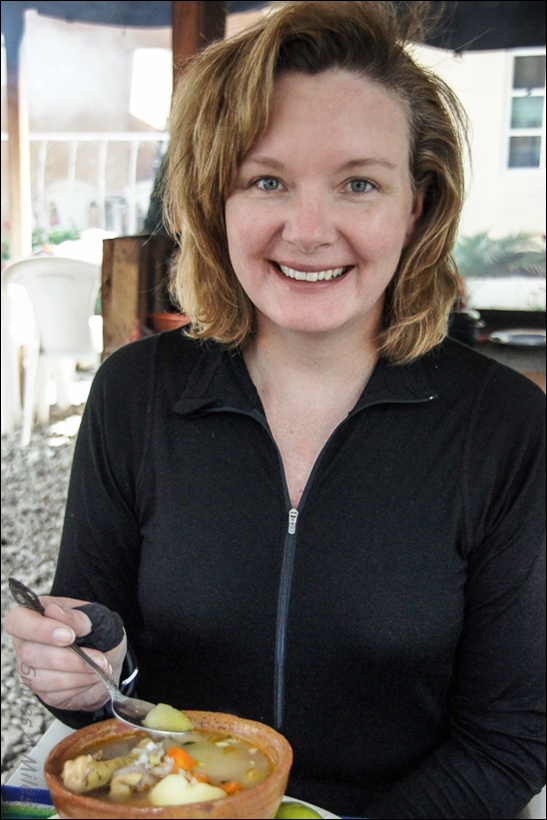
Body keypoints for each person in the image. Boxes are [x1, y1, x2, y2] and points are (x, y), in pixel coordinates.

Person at [5, 3, 545, 818]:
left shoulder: (505, 426)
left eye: (358, 183)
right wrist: (84, 675)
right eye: (267, 181)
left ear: (416, 206)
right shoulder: (133, 394)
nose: (309, 230)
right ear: (214, 200)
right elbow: (103, 688)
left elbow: (509, 739)